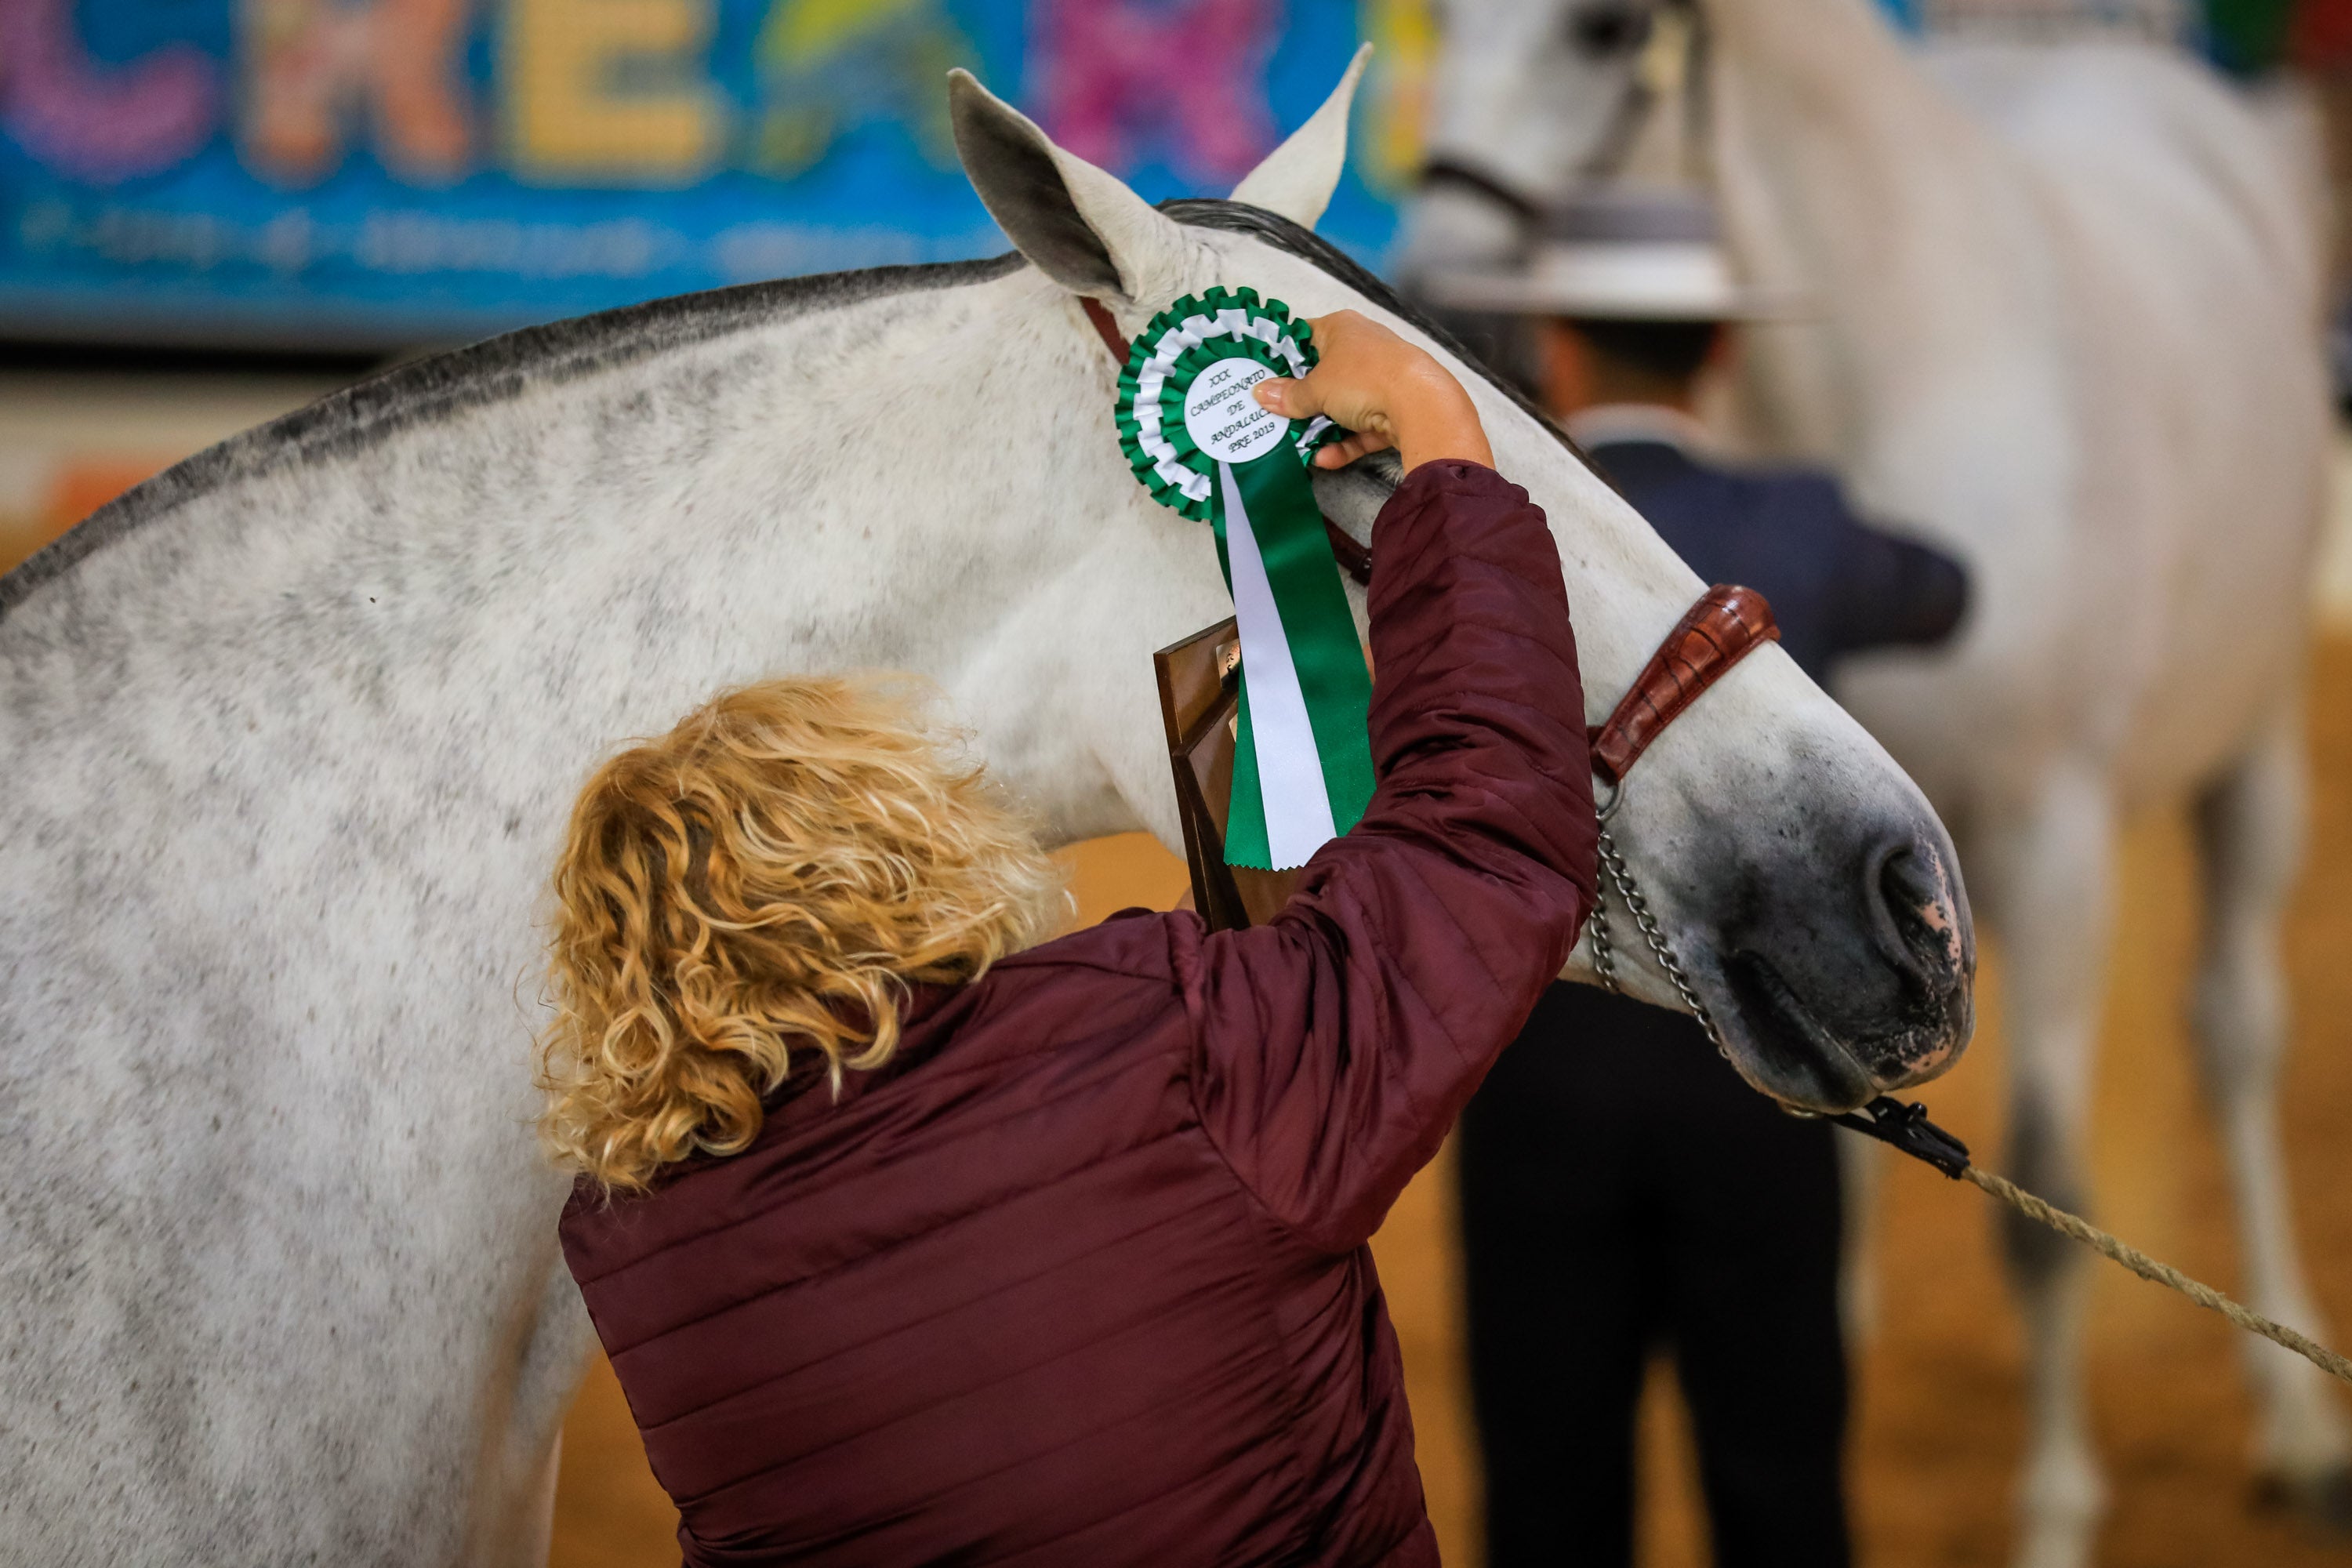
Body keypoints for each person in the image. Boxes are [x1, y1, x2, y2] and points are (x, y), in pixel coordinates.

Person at [537, 311, 1599, 1567]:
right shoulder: (1149, 1045)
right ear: (899, 846)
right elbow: (1478, 847)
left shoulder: (648, 1263)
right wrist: (1432, 420)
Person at [1434, 187, 1969, 1568]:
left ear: (1553, 345)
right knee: (1779, 1480)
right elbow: (1947, 589)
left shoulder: (1477, 536)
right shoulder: (1794, 519)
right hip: (1765, 1096)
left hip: (1532, 1090)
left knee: (1551, 1501)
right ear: (1722, 352)